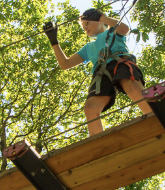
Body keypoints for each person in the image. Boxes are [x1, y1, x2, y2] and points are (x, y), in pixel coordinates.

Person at [43, 8, 152, 136]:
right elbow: (65, 64)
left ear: (99, 21)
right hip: (102, 74)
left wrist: (102, 17)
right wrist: (54, 42)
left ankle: (154, 115)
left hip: (119, 63)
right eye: (84, 27)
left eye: (87, 23)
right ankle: (98, 142)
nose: (85, 28)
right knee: (90, 107)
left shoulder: (112, 31)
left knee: (133, 88)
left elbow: (124, 29)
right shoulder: (89, 48)